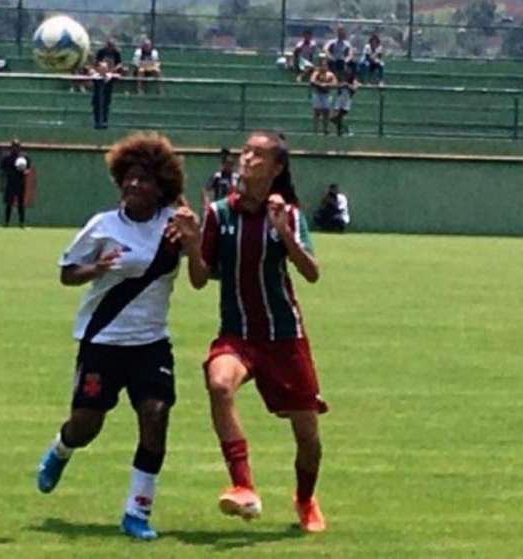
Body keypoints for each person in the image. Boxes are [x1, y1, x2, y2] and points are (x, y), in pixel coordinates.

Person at [167, 132, 328, 533]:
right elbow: (201, 279)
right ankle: (243, 485)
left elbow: (311, 273)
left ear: (276, 168)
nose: (247, 158)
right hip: (237, 334)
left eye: (258, 154)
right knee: (219, 384)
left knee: (308, 438)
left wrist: (283, 232)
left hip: (284, 337)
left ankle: (305, 499)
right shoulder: (220, 214)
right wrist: (190, 244)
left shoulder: (288, 214)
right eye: (246, 151)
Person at [35, 132, 186, 541]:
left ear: (162, 186)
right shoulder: (102, 226)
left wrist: (193, 240)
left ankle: (137, 511)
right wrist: (97, 269)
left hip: (151, 343)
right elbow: (67, 272)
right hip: (103, 341)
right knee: (87, 425)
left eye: (145, 179)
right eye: (129, 178)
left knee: (155, 417)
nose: (135, 185)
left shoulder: (175, 225)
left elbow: (204, 274)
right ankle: (61, 449)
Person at [0, 139, 31, 228]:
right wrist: (2, 183)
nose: (15, 148)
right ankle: (6, 223)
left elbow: (28, 169)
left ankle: (22, 223)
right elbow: (2, 170)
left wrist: (25, 171)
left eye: (17, 146)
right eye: (14, 146)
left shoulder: (24, 157)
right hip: (10, 183)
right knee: (8, 203)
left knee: (21, 204)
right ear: (11, 147)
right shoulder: (7, 157)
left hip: (20, 183)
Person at [310, 55, 338, 135]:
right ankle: (315, 130)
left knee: (326, 112)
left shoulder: (330, 74)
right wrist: (320, 84)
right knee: (317, 112)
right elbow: (312, 81)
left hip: (327, 95)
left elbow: (335, 83)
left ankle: (325, 129)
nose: (324, 67)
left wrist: (327, 85)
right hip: (317, 94)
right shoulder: (316, 73)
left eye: (325, 65)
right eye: (322, 65)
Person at [91, 60, 122, 129]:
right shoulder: (95, 76)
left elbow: (118, 76)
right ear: (98, 68)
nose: (103, 70)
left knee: (105, 110)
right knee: (96, 111)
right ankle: (97, 125)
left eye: (105, 68)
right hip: (96, 97)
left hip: (107, 97)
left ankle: (105, 125)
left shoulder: (109, 76)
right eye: (102, 68)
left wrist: (112, 75)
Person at [330, 69, 358, 136]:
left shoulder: (354, 81)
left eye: (348, 74)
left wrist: (348, 85)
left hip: (347, 101)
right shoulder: (342, 81)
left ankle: (344, 130)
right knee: (334, 118)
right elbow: (336, 86)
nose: (346, 76)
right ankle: (342, 131)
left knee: (338, 117)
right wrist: (342, 84)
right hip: (339, 101)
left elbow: (355, 88)